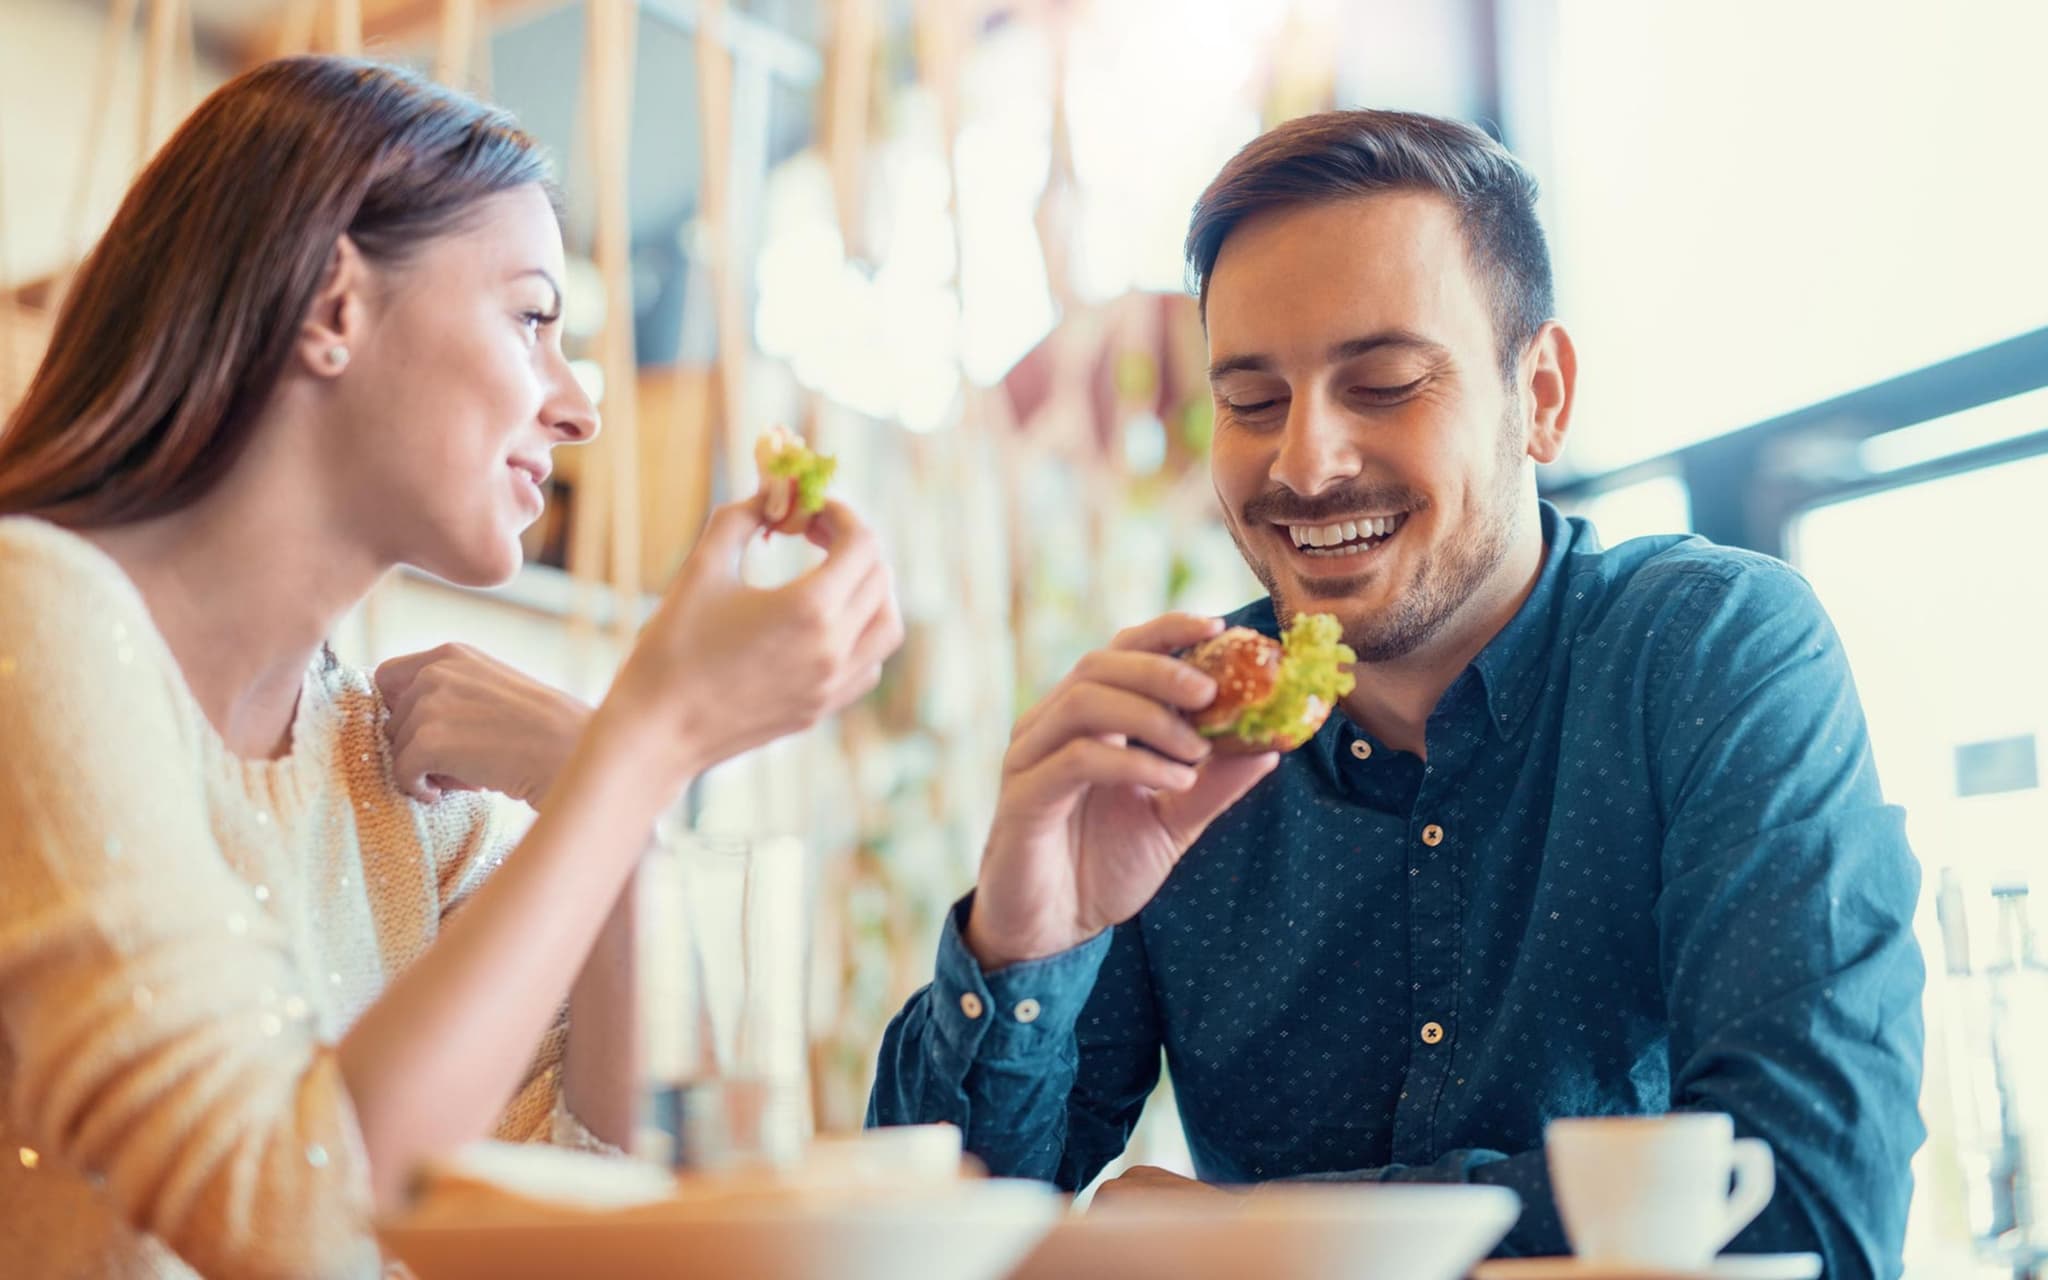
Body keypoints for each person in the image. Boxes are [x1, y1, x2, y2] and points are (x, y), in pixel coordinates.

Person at [867, 108, 1924, 1277]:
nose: (1304, 463)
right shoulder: (1169, 737)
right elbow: (929, 1249)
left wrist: (1263, 1236)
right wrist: (1023, 944)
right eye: (1252, 401)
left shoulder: (1710, 654)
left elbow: (1811, 1209)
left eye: (1382, 382)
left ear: (1543, 395)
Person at [0, 56, 901, 1279]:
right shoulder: (29, 612)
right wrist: (645, 741)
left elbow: (571, 1232)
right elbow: (295, 1214)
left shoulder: (393, 775)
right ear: (332, 307)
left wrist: (620, 803)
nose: (579, 405)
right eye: (533, 317)